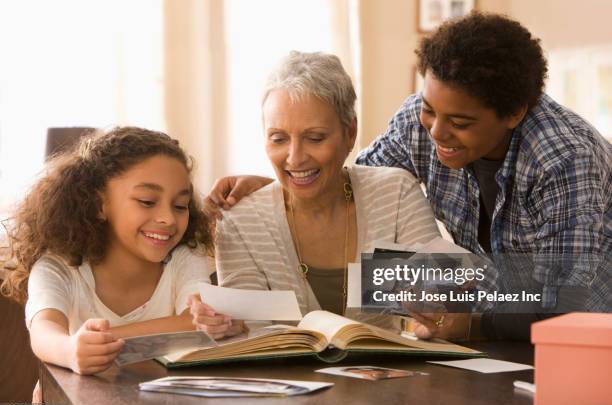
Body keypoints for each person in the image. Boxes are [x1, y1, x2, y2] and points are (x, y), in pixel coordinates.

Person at [206, 13, 611, 341]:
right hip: (503, 322)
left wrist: (471, 323)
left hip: (587, 331)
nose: (436, 131)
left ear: (513, 113)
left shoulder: (565, 158)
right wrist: (282, 184)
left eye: (460, 122)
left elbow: (566, 299)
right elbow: (350, 178)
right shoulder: (418, 123)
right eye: (430, 108)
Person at [190, 51, 441, 334]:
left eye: (315, 138)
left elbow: (439, 297)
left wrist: (433, 312)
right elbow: (250, 331)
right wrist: (226, 324)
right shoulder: (240, 219)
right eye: (279, 139)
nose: (295, 159)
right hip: (285, 377)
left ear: (350, 133)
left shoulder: (395, 194)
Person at [0, 127, 236, 376]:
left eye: (180, 205)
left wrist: (106, 338)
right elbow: (44, 331)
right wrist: (70, 350)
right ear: (99, 204)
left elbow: (196, 323)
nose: (168, 218)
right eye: (147, 201)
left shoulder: (186, 256)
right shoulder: (57, 268)